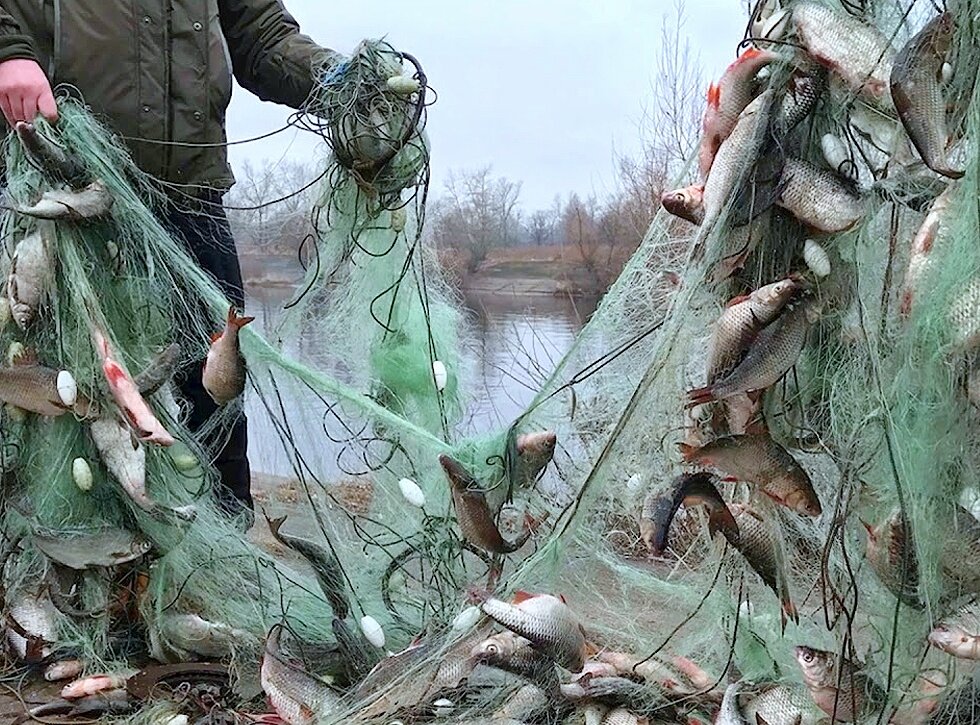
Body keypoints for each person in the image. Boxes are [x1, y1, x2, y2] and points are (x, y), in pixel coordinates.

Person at [0, 1, 338, 521]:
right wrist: (9, 53)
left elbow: (262, 35)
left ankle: (223, 559)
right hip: (63, 193)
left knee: (216, 396)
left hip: (191, 196)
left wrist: (340, 81)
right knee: (63, 401)